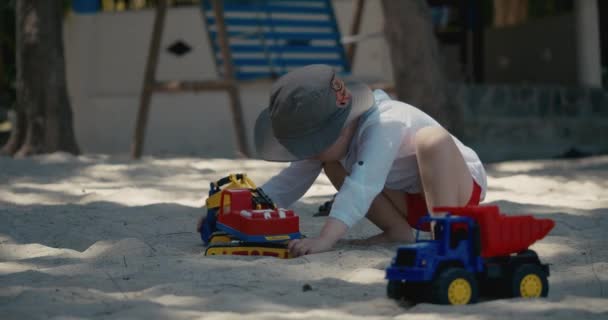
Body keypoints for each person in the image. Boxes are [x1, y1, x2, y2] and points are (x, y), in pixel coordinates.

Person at [254, 64, 486, 257]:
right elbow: (291, 179)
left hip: (457, 195)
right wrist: (253, 207)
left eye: (312, 145)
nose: (308, 154)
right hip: (411, 200)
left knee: (433, 140)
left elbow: (363, 185)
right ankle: (397, 232)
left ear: (340, 129)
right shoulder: (334, 144)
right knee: (332, 165)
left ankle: (444, 237)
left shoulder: (385, 123)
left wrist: (326, 238)